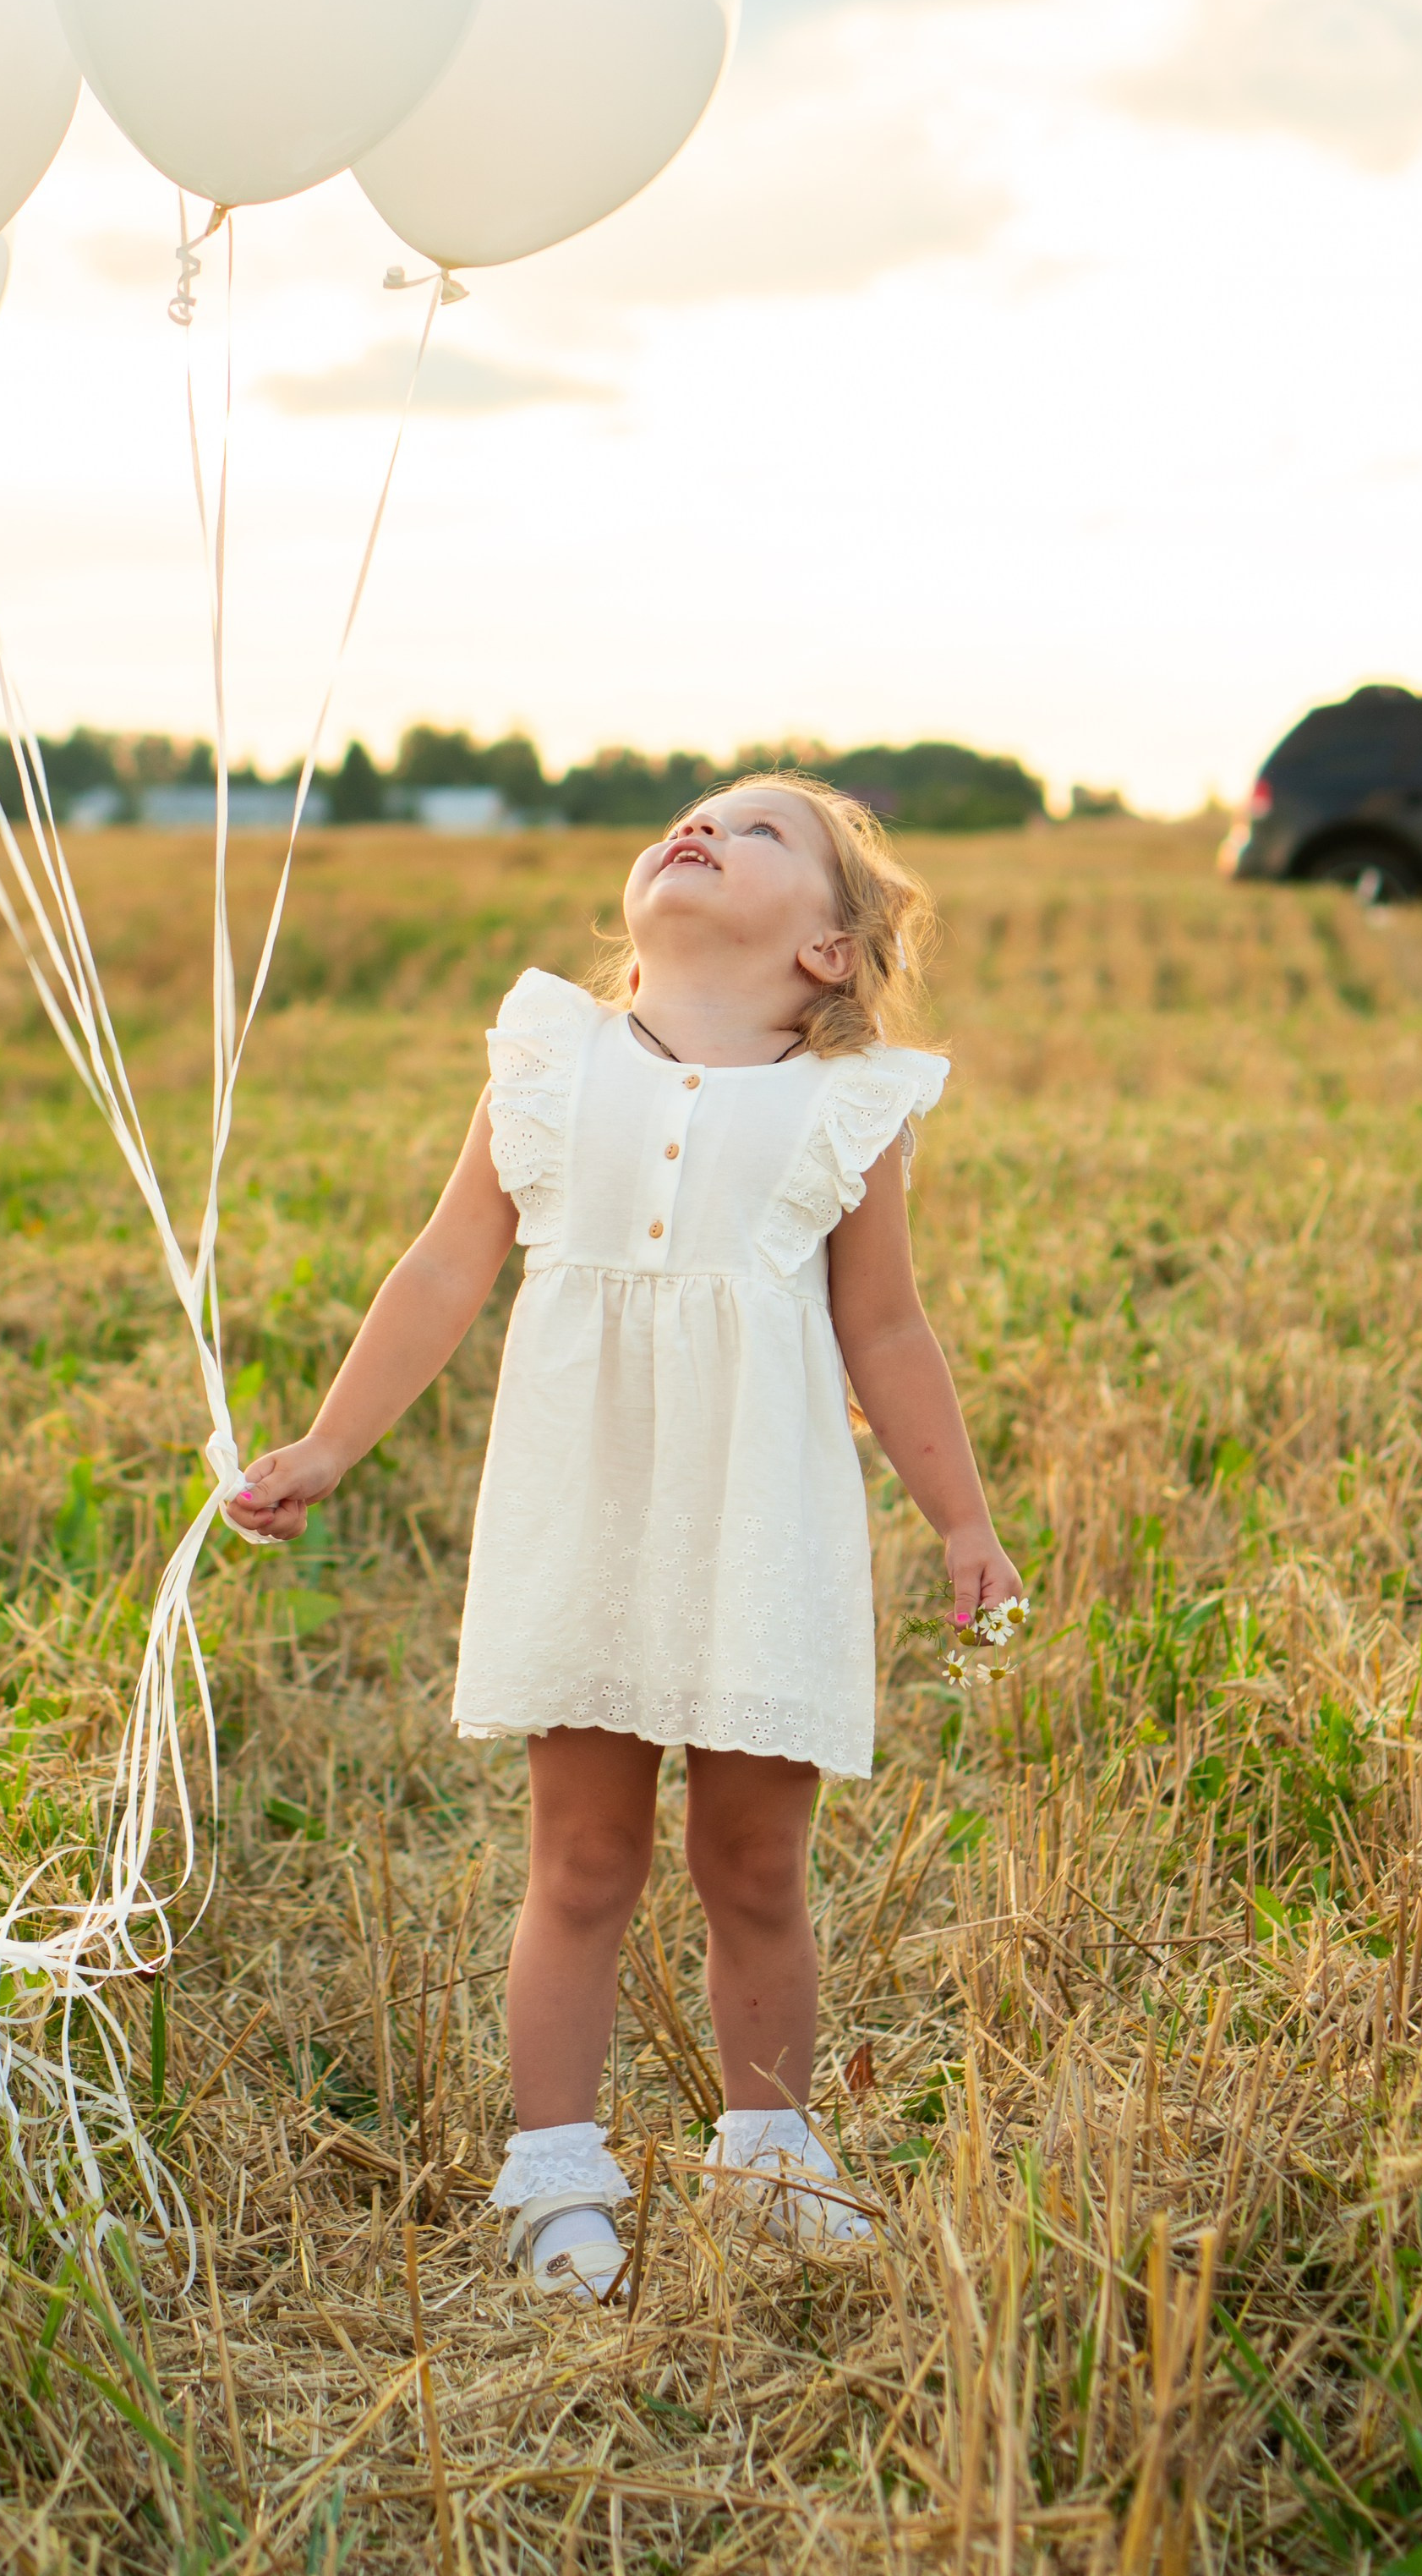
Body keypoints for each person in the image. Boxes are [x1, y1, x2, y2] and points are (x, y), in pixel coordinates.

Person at [232, 773, 1022, 2299]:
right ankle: (554, 2171)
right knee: (582, 1856)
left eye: (764, 832)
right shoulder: (549, 1058)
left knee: (754, 1863)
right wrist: (331, 1442)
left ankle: (771, 2154)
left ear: (830, 952)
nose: (705, 827)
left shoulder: (845, 1108)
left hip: (757, 1523)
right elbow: (444, 1269)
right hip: (582, 1508)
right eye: (697, 814)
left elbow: (887, 1328)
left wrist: (963, 1518)